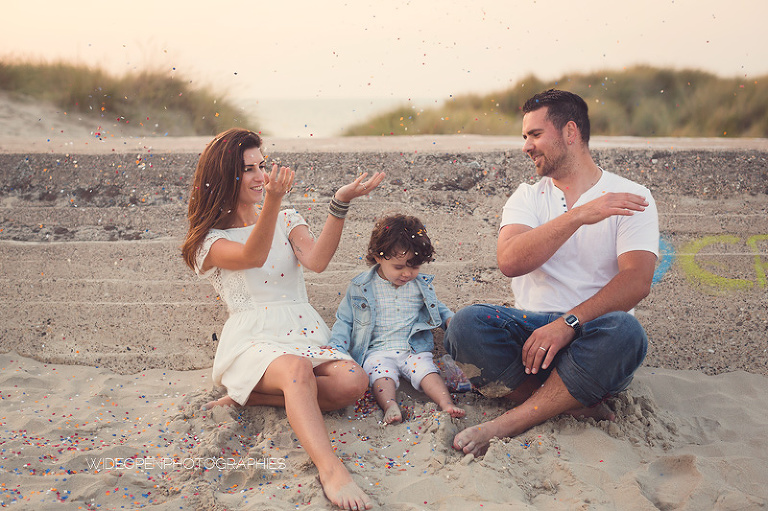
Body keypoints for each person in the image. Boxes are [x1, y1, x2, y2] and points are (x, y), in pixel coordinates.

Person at [444, 89, 659, 456]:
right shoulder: (527, 197)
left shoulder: (631, 195)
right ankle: (570, 402)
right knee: (464, 325)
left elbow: (636, 282)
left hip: (594, 334)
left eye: (535, 134)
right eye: (524, 136)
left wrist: (568, 324)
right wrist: (577, 215)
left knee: (627, 332)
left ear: (570, 132)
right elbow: (511, 261)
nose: (526, 146)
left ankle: (515, 419)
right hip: (530, 336)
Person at [181, 128, 384, 510]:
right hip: (253, 338)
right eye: (248, 170)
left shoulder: (288, 217)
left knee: (353, 382)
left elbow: (318, 261)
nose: (262, 176)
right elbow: (251, 257)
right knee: (295, 369)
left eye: (263, 165)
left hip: (302, 329)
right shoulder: (208, 241)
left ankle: (249, 395)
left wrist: (339, 202)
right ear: (226, 176)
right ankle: (330, 469)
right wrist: (272, 201)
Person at [328, 214, 465, 424]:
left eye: (415, 267)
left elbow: (437, 306)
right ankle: (390, 404)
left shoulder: (420, 285)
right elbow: (345, 321)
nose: (407, 274)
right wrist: (336, 347)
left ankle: (445, 403)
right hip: (378, 350)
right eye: (399, 267)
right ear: (378, 257)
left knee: (427, 371)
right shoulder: (361, 287)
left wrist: (450, 321)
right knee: (380, 375)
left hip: (413, 347)